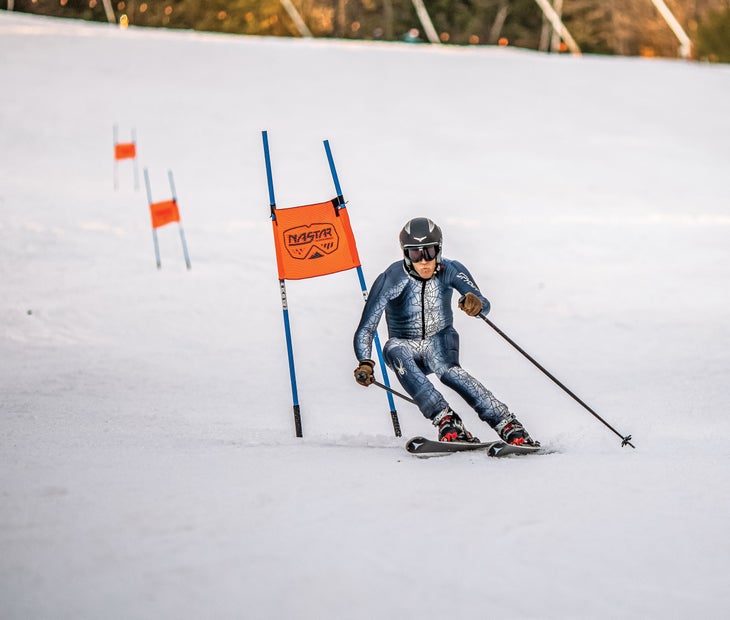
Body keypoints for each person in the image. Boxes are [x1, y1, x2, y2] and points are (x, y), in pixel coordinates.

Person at [353, 217, 538, 446]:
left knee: (449, 372)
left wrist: (475, 303)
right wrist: (365, 361)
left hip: (440, 342)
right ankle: (445, 420)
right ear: (405, 254)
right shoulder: (391, 278)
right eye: (415, 254)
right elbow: (367, 326)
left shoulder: (451, 269)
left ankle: (507, 423)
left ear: (439, 249)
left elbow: (482, 303)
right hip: (406, 347)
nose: (424, 262)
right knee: (392, 347)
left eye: (429, 252)